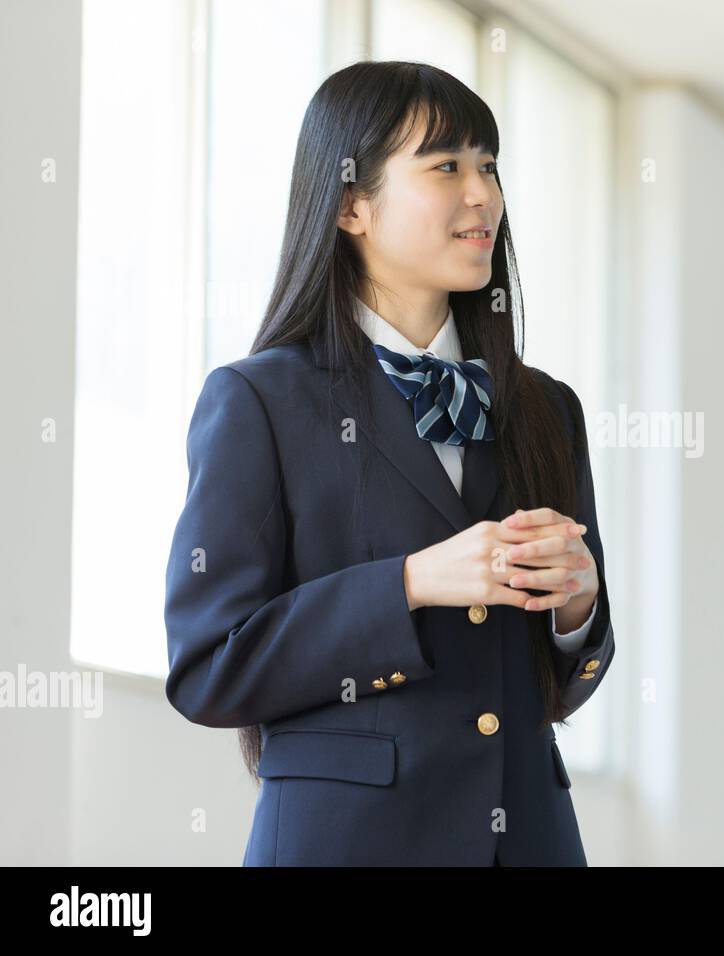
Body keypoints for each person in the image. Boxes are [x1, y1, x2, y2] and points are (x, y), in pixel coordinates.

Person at [163, 61, 614, 865]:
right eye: (446, 166)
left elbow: (564, 686)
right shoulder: (259, 401)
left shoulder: (548, 410)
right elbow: (209, 669)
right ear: (350, 205)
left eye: (488, 165)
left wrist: (576, 606)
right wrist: (409, 584)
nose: (483, 195)